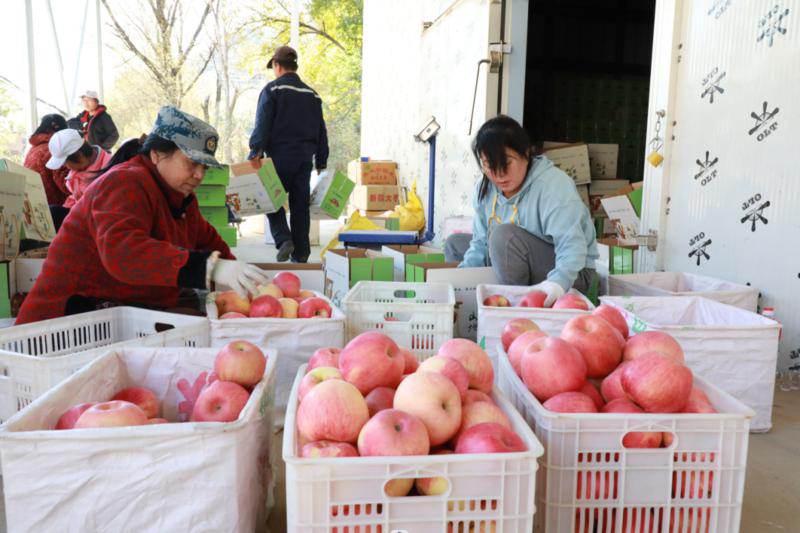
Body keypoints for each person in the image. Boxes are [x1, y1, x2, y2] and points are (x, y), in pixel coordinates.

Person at [16, 106, 268, 324]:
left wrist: (243, 278)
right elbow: (124, 252)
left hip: (122, 314)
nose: (199, 175)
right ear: (157, 154)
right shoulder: (125, 183)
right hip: (66, 323)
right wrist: (209, 267)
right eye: (192, 163)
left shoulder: (180, 198)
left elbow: (205, 239)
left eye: (204, 167)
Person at [445, 115, 599, 306]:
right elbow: (480, 241)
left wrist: (557, 284)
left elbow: (572, 246)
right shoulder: (484, 188)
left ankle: (514, 308)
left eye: (507, 163)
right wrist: (459, 281)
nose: (499, 174)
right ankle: (473, 304)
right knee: (455, 244)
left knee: (504, 238)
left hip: (574, 272)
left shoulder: (553, 186)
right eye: (489, 165)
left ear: (526, 154)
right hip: (518, 259)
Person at [248, 45, 329, 263]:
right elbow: (321, 129)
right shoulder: (312, 95)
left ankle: (284, 239)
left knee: (269, 198)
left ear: (277, 65)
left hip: (279, 158)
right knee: (299, 207)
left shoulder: (272, 90)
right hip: (304, 161)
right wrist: (322, 159)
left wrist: (255, 150)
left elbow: (263, 123)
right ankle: (301, 253)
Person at [44, 128, 112, 230]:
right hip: (82, 215)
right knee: (52, 212)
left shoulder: (109, 170)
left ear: (80, 156)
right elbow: (75, 198)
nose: (66, 166)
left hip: (99, 220)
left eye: (65, 162)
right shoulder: (77, 172)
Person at [23, 114, 71, 206]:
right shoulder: (55, 149)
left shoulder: (33, 148)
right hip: (52, 207)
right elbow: (66, 186)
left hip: (33, 204)